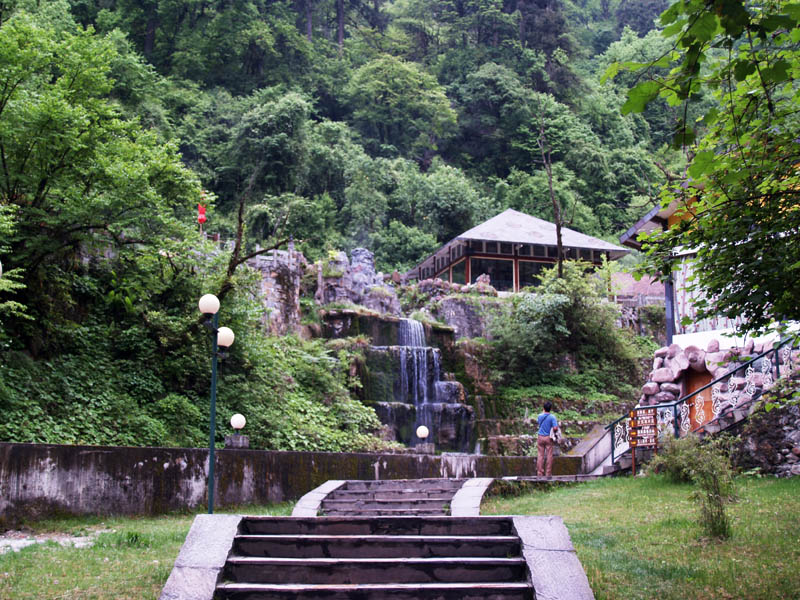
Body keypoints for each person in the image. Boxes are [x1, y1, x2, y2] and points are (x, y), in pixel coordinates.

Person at [536, 401, 559, 477]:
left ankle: (540, 473)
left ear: (543, 408)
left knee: (540, 455)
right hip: (548, 437)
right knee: (549, 455)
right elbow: (555, 428)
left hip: (540, 436)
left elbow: (539, 423)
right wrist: (553, 430)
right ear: (551, 408)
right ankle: (548, 473)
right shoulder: (552, 417)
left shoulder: (539, 416)